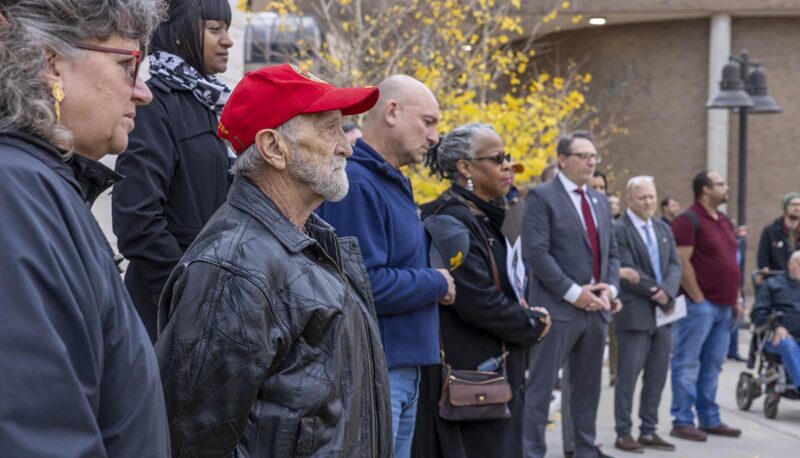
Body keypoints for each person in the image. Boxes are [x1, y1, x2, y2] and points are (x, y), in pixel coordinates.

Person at [155, 64, 392, 456]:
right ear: (273, 148)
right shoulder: (236, 267)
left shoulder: (302, 243)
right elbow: (190, 440)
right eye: (328, 128)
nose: (347, 146)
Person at [0, 1, 169, 456]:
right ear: (50, 64)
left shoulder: (40, 186)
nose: (143, 92)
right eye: (126, 65)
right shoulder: (15, 192)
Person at [317, 75, 455, 458]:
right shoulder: (358, 183)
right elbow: (363, 285)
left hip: (400, 371)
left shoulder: (387, 181)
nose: (434, 137)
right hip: (375, 374)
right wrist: (436, 283)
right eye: (428, 121)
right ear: (392, 111)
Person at [413, 123, 551, 458]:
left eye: (508, 157)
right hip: (470, 380)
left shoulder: (481, 216)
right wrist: (531, 323)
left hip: (491, 375)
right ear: (465, 167)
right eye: (497, 158)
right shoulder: (451, 219)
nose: (508, 165)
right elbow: (475, 299)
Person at [112, 0, 234, 342]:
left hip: (217, 308)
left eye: (227, 29)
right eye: (215, 29)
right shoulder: (154, 105)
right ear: (179, 33)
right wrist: (190, 293)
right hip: (167, 318)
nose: (228, 40)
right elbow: (137, 219)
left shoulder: (214, 105)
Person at [523, 131, 621, 458]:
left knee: (587, 390)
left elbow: (613, 253)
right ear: (562, 159)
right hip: (558, 309)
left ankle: (583, 449)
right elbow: (536, 254)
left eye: (594, 156)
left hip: (596, 311)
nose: (591, 161)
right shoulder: (542, 197)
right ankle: (531, 452)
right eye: (583, 155)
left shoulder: (601, 201)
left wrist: (610, 287)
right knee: (540, 389)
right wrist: (575, 293)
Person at [669, 170, 742, 441]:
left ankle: (709, 419)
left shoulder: (723, 221)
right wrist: (698, 298)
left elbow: (731, 263)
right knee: (687, 364)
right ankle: (683, 420)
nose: (726, 187)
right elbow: (681, 261)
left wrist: (736, 299)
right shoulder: (688, 220)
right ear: (705, 190)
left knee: (712, 365)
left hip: (725, 307)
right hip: (700, 306)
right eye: (721, 184)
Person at [612, 176, 681, 453]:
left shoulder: (663, 228)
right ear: (628, 199)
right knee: (628, 377)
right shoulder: (619, 229)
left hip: (664, 315)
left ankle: (649, 430)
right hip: (635, 314)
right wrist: (657, 292)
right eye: (643, 197)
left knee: (656, 376)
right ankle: (623, 432)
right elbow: (626, 267)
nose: (649, 202)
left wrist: (667, 292)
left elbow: (675, 265)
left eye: (652, 196)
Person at [751, 250, 800, 387]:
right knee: (788, 344)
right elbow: (758, 312)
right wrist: (776, 326)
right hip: (778, 337)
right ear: (790, 264)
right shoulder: (772, 284)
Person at [757, 192, 800, 272]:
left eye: (799, 205)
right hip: (776, 280)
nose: (797, 208)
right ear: (785, 207)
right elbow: (763, 261)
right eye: (793, 204)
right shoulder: (770, 232)